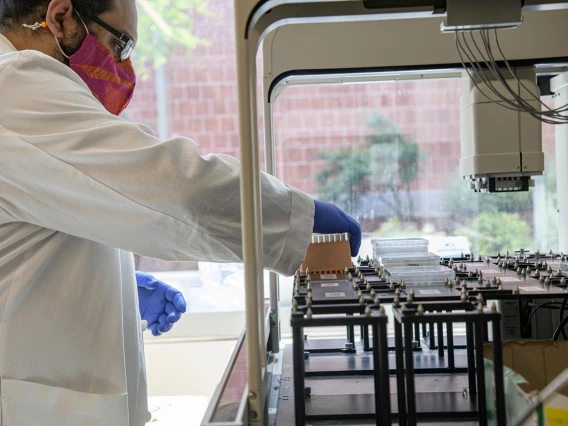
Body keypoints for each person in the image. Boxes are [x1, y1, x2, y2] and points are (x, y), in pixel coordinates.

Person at [0, 0, 361, 425]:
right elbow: (172, 190)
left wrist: (106, 281)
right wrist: (296, 217)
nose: (122, 67)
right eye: (121, 44)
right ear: (61, 18)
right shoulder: (13, 85)